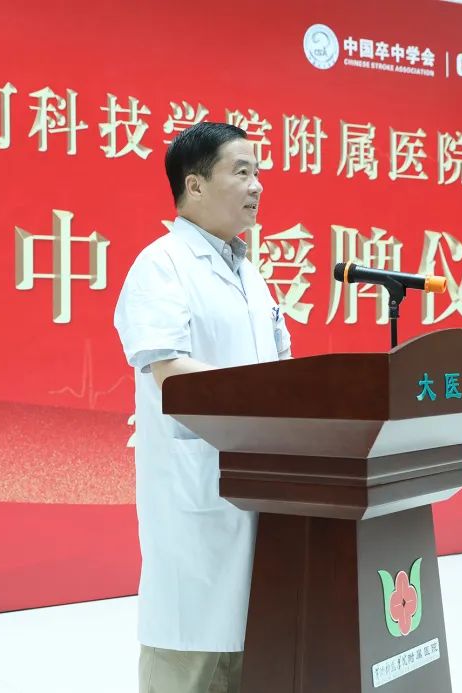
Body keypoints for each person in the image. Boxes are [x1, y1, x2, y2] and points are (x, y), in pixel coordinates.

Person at [114, 122, 291, 693]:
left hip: (257, 487)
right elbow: (170, 372)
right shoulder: (161, 264)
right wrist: (266, 398)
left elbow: (283, 369)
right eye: (241, 172)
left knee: (246, 658)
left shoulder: (250, 275)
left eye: (258, 172)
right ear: (194, 185)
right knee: (187, 662)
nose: (256, 185)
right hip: (195, 493)